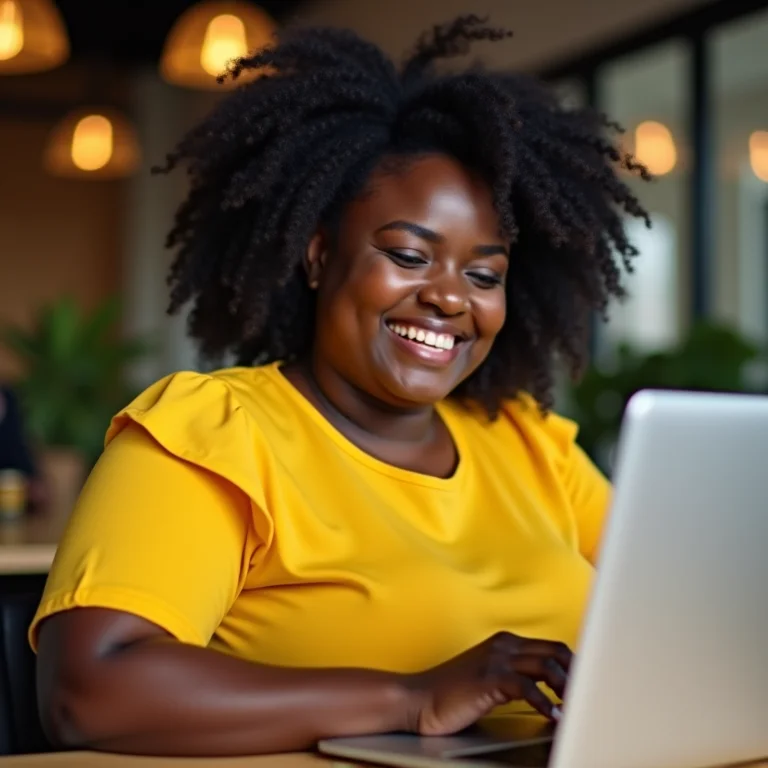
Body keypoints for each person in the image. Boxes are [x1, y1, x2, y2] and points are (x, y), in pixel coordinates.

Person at [30, 16, 650, 757]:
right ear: (320, 255)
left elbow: (676, 611)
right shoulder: (217, 435)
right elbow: (91, 690)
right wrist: (410, 696)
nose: (451, 298)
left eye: (483, 274)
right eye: (409, 255)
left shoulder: (527, 443)